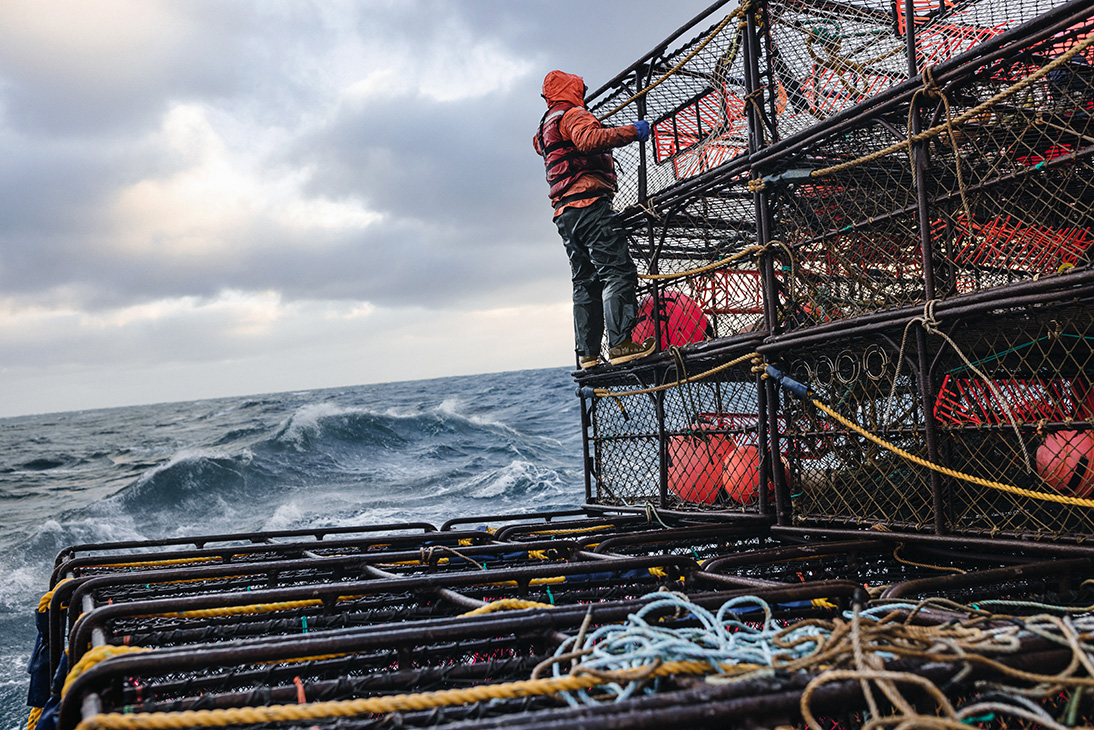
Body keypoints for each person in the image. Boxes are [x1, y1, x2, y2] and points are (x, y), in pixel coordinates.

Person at [533, 69, 655, 369]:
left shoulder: (545, 125)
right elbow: (588, 141)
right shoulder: (572, 114)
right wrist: (632, 131)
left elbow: (540, 145)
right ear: (573, 90)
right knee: (618, 272)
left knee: (585, 281)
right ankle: (621, 345)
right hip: (589, 206)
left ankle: (587, 354)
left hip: (565, 214)